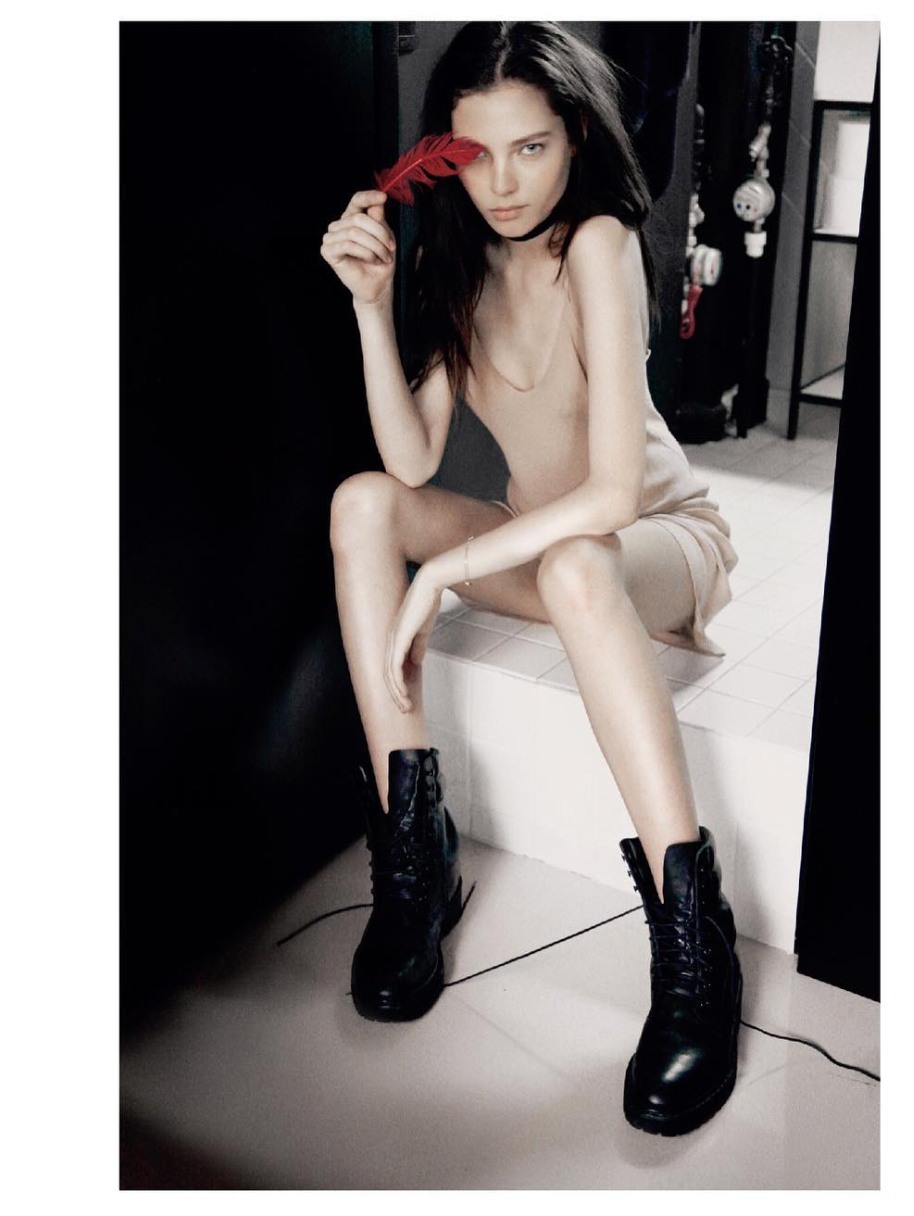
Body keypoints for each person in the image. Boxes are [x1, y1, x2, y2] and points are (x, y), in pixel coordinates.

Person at [321, 21, 742, 1137]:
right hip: (544, 548)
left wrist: (446, 573)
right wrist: (370, 304)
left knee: (576, 560)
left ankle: (694, 943)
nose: (504, 183)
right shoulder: (457, 263)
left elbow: (611, 495)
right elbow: (411, 462)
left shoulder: (598, 242)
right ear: (445, 158)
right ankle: (415, 856)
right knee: (361, 503)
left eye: (533, 148)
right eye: (479, 155)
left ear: (576, 141)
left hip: (652, 539)